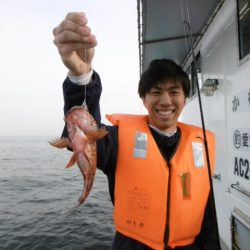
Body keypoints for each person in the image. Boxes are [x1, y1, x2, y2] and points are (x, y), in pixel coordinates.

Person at [53, 12, 220, 250]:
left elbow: (208, 213)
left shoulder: (201, 144)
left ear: (185, 98)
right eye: (155, 92)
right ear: (143, 99)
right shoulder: (118, 140)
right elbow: (83, 131)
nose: (165, 101)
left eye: (174, 92)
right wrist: (81, 76)